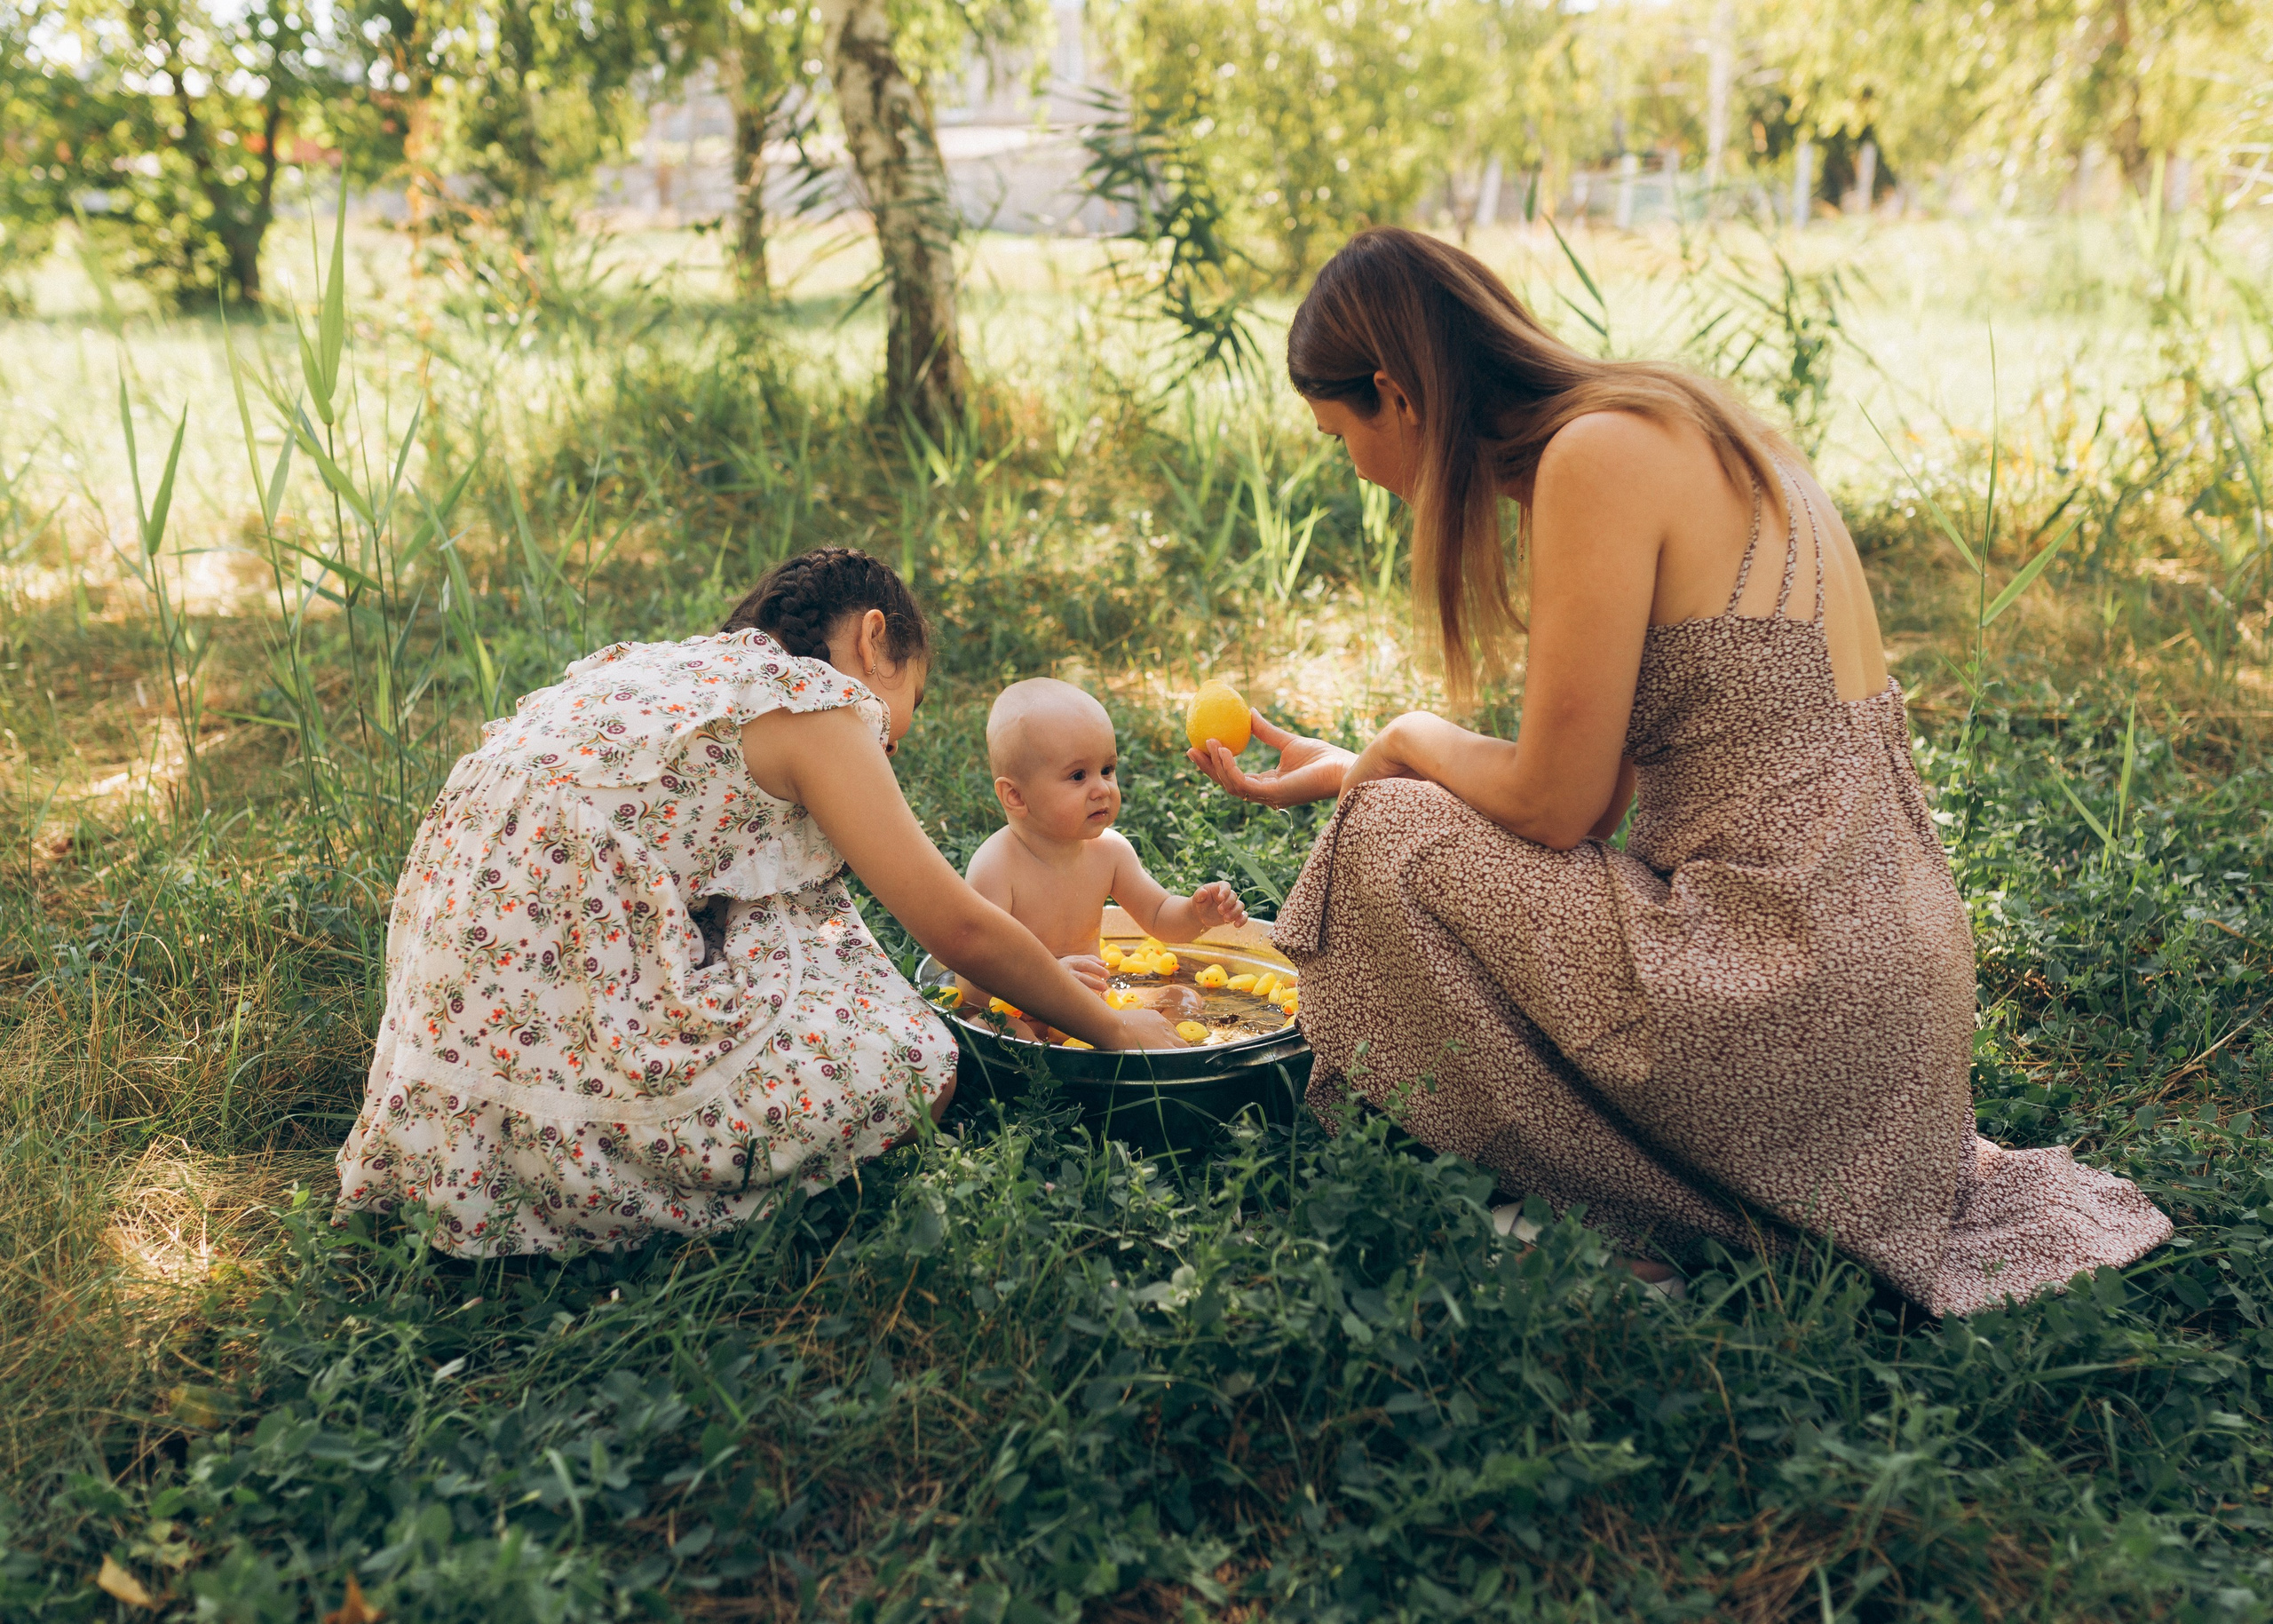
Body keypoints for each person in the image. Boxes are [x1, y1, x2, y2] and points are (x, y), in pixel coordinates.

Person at [1188, 227, 2169, 1316]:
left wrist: (1407, 741)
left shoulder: (1592, 457)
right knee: (1383, 814)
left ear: (1396, 393)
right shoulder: (1674, 422)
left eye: (1339, 436)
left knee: (1382, 841)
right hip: (1885, 995)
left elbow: (1556, 810)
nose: (1358, 473)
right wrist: (1357, 768)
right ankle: (1686, 1196)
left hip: (1791, 977)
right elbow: (1586, 799)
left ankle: (1620, 1224)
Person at [337, 548, 1183, 1256]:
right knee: (909, 1050)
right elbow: (954, 922)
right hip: (561, 981)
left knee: (789, 912)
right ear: (873, 638)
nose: (891, 741)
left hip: (451, 1021)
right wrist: (1112, 1028)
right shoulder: (814, 704)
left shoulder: (670, 670)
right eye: (905, 706)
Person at [958, 678, 1248, 1036]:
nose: (1102, 789)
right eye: (1078, 775)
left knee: (1182, 998)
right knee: (1003, 1031)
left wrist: (1196, 913)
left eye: (1107, 770)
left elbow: (1158, 916)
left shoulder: (1109, 851)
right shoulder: (997, 866)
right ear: (1016, 796)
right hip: (1019, 1009)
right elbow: (971, 981)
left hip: (1093, 1008)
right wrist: (1048, 979)